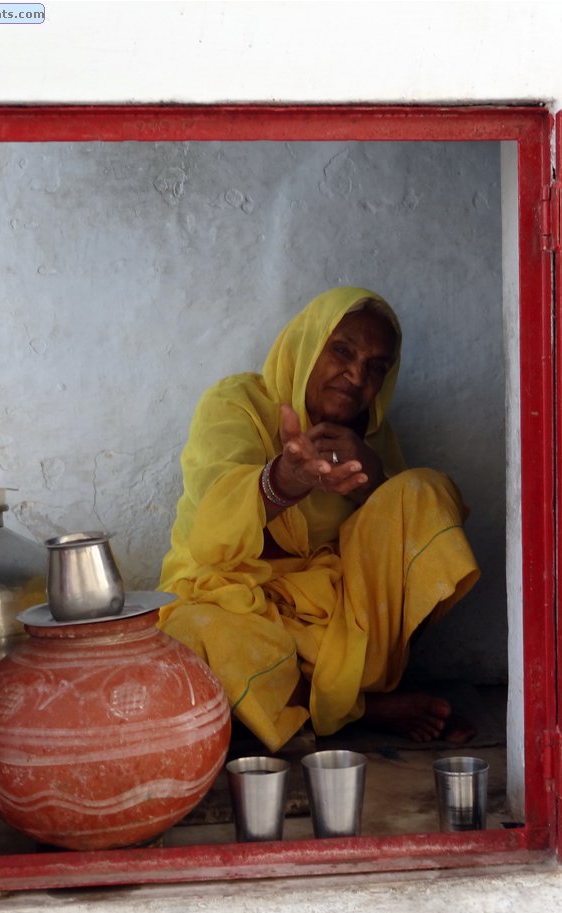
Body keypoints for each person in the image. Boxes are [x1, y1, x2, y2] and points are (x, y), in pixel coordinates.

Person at [157, 287, 480, 753]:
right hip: (233, 604)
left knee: (423, 491)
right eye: (343, 351)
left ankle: (324, 702)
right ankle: (357, 707)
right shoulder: (238, 403)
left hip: (332, 621)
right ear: (307, 344)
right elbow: (210, 531)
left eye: (376, 367)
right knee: (196, 631)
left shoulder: (370, 438)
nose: (356, 375)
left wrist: (373, 480)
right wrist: (284, 480)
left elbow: (404, 548)